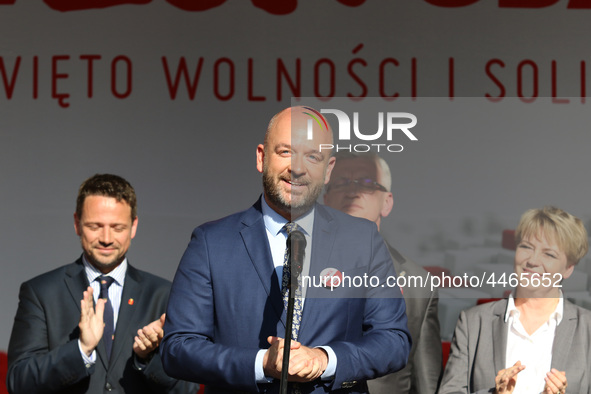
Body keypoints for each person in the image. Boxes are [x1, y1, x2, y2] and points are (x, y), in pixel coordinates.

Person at [160, 106, 411, 393]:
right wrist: (260, 363)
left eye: (313, 157)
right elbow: (178, 348)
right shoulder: (210, 243)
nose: (298, 168)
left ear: (328, 170)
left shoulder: (362, 239)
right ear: (261, 157)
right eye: (285, 152)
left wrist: (324, 359)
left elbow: (393, 341)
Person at [7, 174, 198, 394]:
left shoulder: (163, 295)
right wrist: (81, 349)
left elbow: (187, 389)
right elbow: (18, 382)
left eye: (117, 227)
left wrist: (146, 358)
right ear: (77, 224)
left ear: (134, 226)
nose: (106, 238)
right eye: (95, 226)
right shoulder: (41, 292)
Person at [323, 152, 442, 394]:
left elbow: (426, 383)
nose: (353, 192)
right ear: (326, 199)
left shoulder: (419, 283)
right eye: (342, 182)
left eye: (367, 184)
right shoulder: (297, 266)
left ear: (387, 202)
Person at [439, 206, 591, 394]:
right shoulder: (473, 323)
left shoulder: (587, 329)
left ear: (568, 268)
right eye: (526, 247)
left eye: (549, 254)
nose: (533, 260)